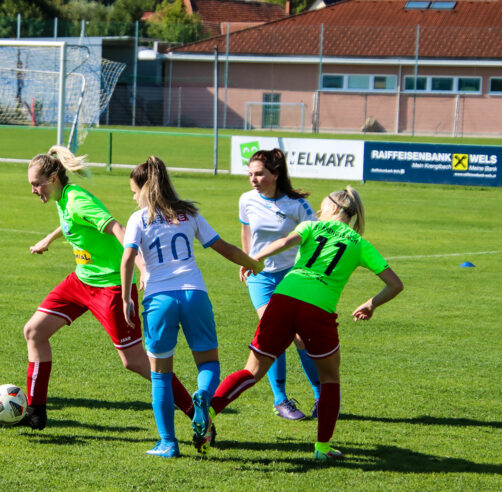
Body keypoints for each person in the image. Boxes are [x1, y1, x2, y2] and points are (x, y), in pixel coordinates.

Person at [194, 186, 403, 460]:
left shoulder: (311, 227)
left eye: (324, 204)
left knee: (252, 370)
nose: (319, 208)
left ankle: (208, 410)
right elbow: (395, 284)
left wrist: (253, 259)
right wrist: (371, 303)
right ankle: (322, 449)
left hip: (284, 297)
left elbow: (282, 244)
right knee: (330, 380)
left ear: (335, 209)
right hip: (318, 308)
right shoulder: (360, 243)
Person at [21, 146, 195, 430]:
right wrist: (49, 238)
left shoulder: (78, 199)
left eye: (36, 184)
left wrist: (142, 268)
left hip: (110, 288)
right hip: (81, 281)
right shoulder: (63, 197)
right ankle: (35, 412)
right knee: (34, 332)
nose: (33, 190)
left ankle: (195, 411)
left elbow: (116, 228)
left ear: (53, 178)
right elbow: (71, 220)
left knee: (136, 361)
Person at [121, 157, 263, 458]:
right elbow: (222, 246)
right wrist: (251, 263)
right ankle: (202, 397)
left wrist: (126, 297)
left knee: (160, 375)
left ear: (145, 188)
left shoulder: (138, 219)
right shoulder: (188, 213)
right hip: (194, 295)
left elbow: (127, 258)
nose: (133, 197)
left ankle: (168, 443)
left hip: (159, 300)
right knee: (209, 364)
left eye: (134, 190)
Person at [238, 149, 322, 420]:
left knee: (300, 338)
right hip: (261, 277)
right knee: (273, 335)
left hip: (291, 276)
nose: (253, 179)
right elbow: (246, 230)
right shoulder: (246, 200)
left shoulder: (297, 205)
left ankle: (321, 397)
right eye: (250, 173)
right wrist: (248, 260)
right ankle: (281, 400)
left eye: (259, 173)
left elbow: (316, 237)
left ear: (275, 175)